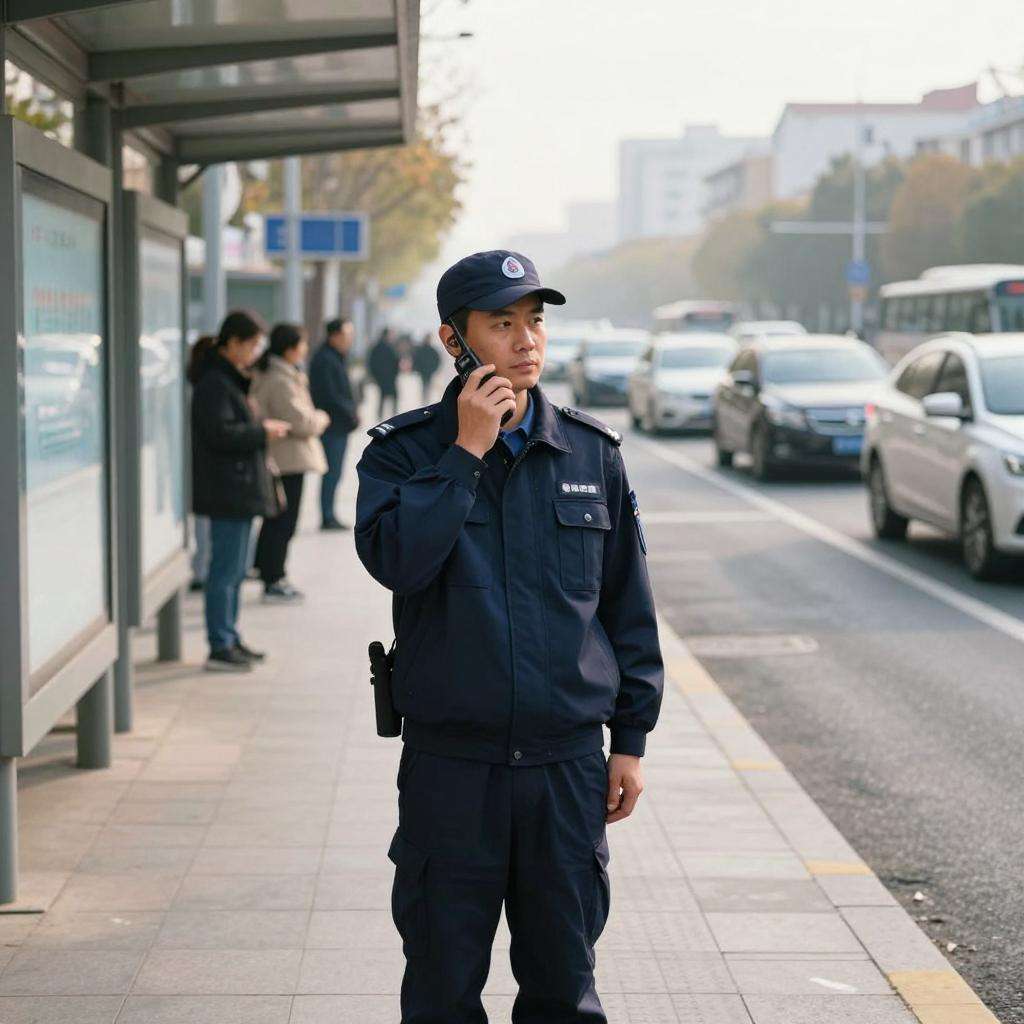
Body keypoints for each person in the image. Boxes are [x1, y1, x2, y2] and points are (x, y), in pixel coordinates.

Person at [355, 250, 664, 1023]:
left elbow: (627, 609)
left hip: (565, 770)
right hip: (451, 771)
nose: (527, 341)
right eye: (502, 324)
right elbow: (397, 562)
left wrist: (630, 739)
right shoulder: (403, 453)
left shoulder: (592, 454)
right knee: (441, 987)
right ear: (453, 340)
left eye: (535, 322)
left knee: (563, 989)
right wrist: (464, 452)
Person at [191, 310, 291, 672]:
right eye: (251, 345)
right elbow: (221, 434)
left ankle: (230, 636)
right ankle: (220, 644)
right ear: (232, 343)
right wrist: (262, 432)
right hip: (227, 490)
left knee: (234, 571)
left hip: (237, 488)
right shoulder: (215, 383)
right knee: (224, 571)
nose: (254, 353)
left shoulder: (229, 379)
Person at [251, 323, 330, 602]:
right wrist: (321, 418)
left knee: (276, 520)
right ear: (290, 348)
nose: (305, 349)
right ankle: (274, 577)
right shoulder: (280, 379)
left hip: (283, 457)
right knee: (284, 522)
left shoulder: (278, 373)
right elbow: (301, 422)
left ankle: (267, 571)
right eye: (302, 344)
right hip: (287, 459)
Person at [309, 317, 359, 530]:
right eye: (347, 335)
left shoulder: (336, 357)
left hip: (339, 425)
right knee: (331, 472)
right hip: (332, 426)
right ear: (335, 335)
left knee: (335, 472)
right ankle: (327, 516)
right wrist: (350, 413)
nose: (350, 339)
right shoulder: (325, 359)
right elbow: (329, 395)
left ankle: (329, 513)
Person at [186, 334, 216, 592]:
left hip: (200, 466)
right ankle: (202, 569)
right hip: (207, 467)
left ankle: (201, 567)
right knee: (206, 525)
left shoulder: (196, 385)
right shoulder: (209, 388)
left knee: (203, 525)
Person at [367, 326, 400, 419]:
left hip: (382, 377)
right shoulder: (388, 347)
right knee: (392, 396)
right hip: (387, 377)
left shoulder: (378, 347)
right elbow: (396, 361)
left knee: (384, 396)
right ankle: (393, 415)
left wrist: (374, 375)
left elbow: (370, 362)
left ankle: (381, 415)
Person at [411, 331, 442, 403]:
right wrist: (417, 369)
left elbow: (437, 360)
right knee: (425, 385)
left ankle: (426, 400)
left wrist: (434, 369)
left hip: (429, 371)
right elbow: (416, 359)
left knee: (428, 385)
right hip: (423, 371)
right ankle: (424, 400)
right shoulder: (421, 349)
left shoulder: (432, 350)